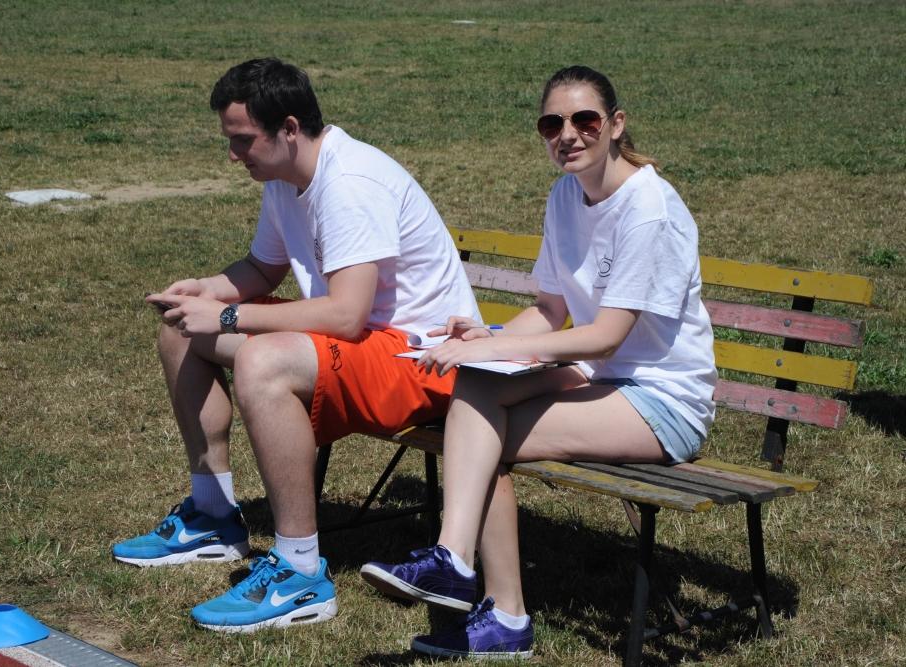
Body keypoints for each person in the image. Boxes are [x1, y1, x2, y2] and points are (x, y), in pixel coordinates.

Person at [359, 65, 717, 660]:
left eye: (585, 120)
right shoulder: (565, 196)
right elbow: (551, 311)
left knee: (483, 437)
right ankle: (456, 563)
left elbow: (605, 337)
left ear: (615, 124)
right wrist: (490, 335)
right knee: (478, 391)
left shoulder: (648, 208)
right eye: (552, 124)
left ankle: (501, 611)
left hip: (664, 401)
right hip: (603, 380)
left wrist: (490, 348)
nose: (568, 135)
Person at [111, 57, 480, 633]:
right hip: (368, 344)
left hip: (424, 359)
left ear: (288, 128)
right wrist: (204, 291)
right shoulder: (287, 176)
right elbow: (263, 268)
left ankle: (301, 571)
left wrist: (228, 314)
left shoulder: (349, 181)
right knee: (184, 328)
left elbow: (347, 315)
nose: (233, 155)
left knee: (264, 360)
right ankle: (214, 517)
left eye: (242, 140)